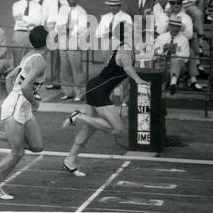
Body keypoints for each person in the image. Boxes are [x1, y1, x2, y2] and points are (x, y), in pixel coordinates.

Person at [62, 22, 148, 176]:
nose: (136, 31)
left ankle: (70, 160)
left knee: (89, 128)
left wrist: (123, 100)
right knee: (117, 128)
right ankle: (78, 116)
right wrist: (139, 80)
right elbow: (128, 69)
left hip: (97, 87)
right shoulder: (125, 50)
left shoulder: (128, 49)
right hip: (98, 90)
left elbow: (120, 76)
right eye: (132, 29)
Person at [0, 26, 48, 200]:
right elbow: (25, 87)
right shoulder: (39, 61)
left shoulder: (29, 55)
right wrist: (33, 103)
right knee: (17, 152)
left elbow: (10, 77)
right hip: (16, 107)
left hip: (20, 105)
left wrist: (16, 96)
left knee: (37, 146)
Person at [56, 0, 88, 102]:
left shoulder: (81, 11)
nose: (72, 1)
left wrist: (71, 28)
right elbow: (58, 25)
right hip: (63, 42)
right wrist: (65, 28)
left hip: (74, 43)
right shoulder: (62, 10)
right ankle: (67, 91)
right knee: (64, 69)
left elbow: (83, 29)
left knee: (77, 69)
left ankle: (80, 93)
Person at [42, 0, 69, 90]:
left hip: (63, 29)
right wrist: (44, 28)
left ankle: (62, 81)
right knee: (52, 56)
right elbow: (44, 14)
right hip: (50, 28)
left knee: (62, 55)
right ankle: (52, 80)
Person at [154, 15, 190, 94]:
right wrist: (163, 50)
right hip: (162, 62)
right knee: (160, 65)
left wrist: (175, 52)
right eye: (173, 26)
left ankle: (173, 83)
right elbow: (155, 53)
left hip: (179, 66)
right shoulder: (161, 37)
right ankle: (171, 84)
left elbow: (186, 58)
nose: (176, 28)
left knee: (175, 60)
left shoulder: (184, 40)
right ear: (169, 26)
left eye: (178, 26)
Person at [12, 0, 43, 67]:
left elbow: (39, 22)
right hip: (20, 34)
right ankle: (17, 80)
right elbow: (18, 21)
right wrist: (32, 21)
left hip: (33, 34)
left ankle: (29, 80)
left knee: (32, 60)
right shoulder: (16, 5)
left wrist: (25, 20)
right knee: (18, 61)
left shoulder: (38, 6)